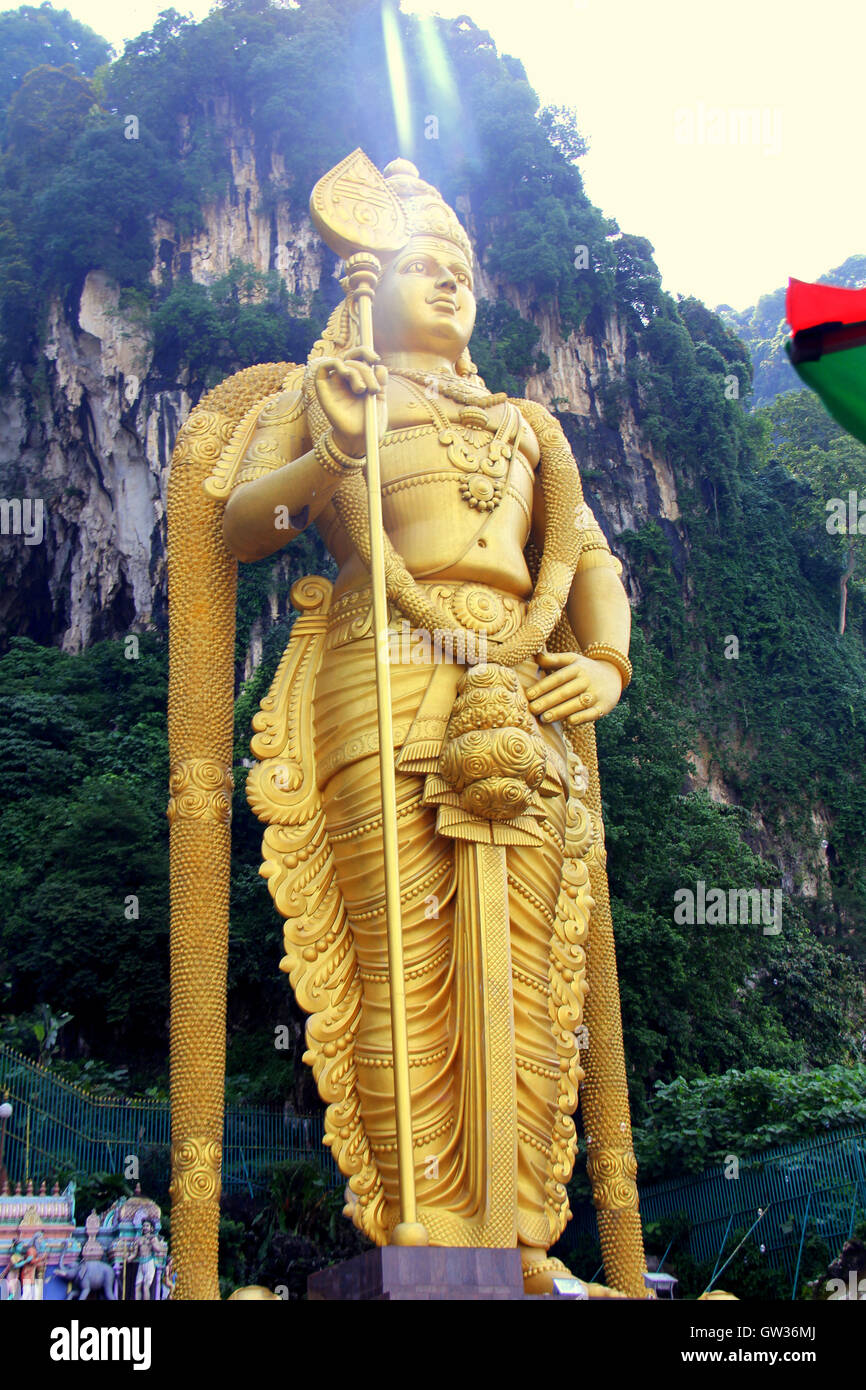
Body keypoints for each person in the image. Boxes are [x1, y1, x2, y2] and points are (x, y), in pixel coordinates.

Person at [213, 158, 641, 1294]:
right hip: (380, 669)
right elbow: (244, 524)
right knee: (397, 949)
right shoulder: (335, 387)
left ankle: (523, 1237)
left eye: (461, 271)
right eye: (421, 268)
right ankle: (420, 1230)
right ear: (371, 280)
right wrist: (329, 451)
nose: (448, 286)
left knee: (529, 962)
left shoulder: (525, 425)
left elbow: (586, 555)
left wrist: (603, 658)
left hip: (521, 679)